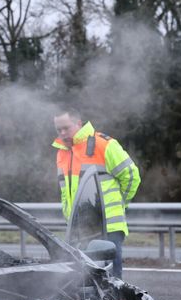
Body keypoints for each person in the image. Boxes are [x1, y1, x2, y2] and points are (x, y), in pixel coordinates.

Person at [52, 108, 140, 278]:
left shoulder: (103, 144)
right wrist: (69, 218)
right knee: (83, 282)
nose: (62, 133)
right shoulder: (62, 153)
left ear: (79, 123)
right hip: (79, 229)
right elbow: (65, 192)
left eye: (66, 128)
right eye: (58, 130)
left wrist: (120, 204)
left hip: (108, 226)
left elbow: (131, 176)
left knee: (111, 281)